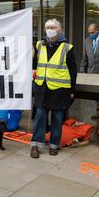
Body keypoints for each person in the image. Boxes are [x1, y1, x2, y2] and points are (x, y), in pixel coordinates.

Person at [31, 19, 77, 158]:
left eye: (53, 27)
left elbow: (73, 70)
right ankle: (35, 145)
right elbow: (34, 63)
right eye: (47, 27)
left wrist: (72, 90)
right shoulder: (39, 45)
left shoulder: (67, 47)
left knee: (57, 118)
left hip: (60, 89)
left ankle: (53, 145)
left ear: (59, 29)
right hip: (42, 87)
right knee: (39, 117)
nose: (50, 29)